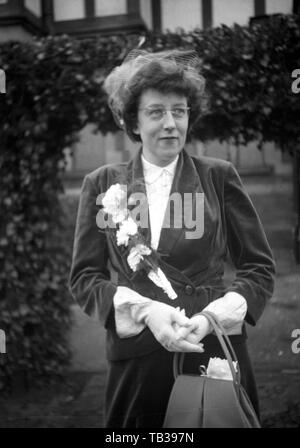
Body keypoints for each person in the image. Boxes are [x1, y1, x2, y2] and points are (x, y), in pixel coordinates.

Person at [69, 49, 275, 428]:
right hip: (137, 357)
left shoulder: (219, 176)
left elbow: (259, 269)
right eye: (156, 112)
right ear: (132, 121)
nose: (170, 123)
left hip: (210, 347)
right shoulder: (101, 184)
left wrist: (213, 317)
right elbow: (84, 279)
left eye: (179, 111)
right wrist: (147, 311)